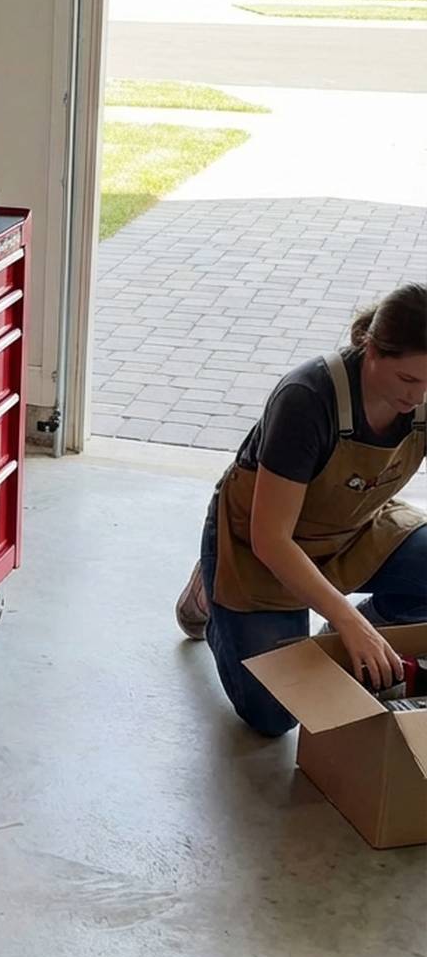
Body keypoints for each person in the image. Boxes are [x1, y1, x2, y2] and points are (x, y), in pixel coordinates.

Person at [176, 282, 427, 736]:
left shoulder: (424, 394)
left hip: (354, 527)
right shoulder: (308, 398)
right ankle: (210, 591)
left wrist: (351, 629)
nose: (418, 396)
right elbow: (271, 539)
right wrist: (344, 616)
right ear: (372, 349)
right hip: (261, 545)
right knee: (276, 713)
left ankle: (356, 639)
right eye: (407, 380)